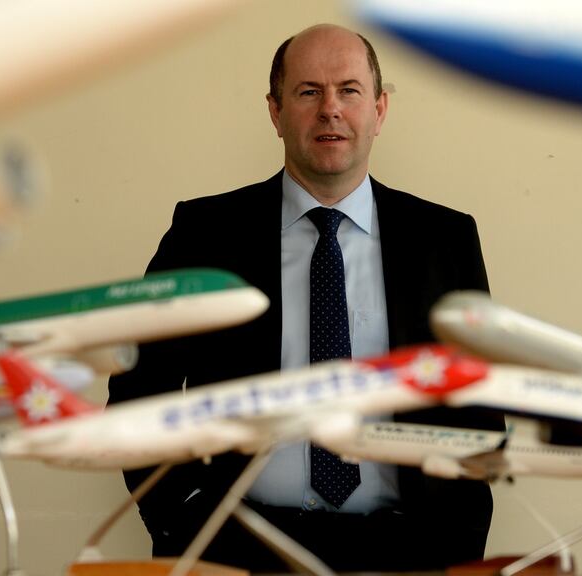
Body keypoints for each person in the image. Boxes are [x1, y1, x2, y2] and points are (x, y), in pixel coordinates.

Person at [108, 23, 502, 572]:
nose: (330, 110)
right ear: (275, 111)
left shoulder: (445, 239)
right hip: (238, 549)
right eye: (308, 92)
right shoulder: (205, 232)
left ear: (380, 110)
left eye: (349, 90)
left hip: (407, 553)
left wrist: (455, 541)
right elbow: (138, 387)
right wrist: (185, 515)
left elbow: (478, 408)